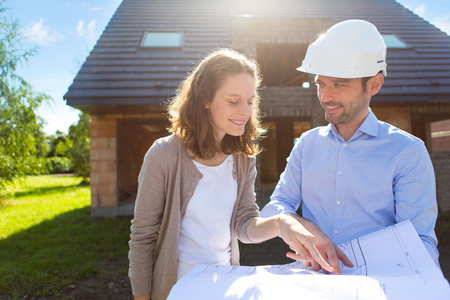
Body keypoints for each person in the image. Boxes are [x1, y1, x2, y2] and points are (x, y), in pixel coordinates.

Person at [128, 49, 346, 300]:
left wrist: (281, 224)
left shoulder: (243, 158)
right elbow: (142, 238)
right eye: (234, 101)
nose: (245, 111)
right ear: (204, 99)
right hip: (176, 291)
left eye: (250, 101)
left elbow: (244, 225)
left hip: (225, 288)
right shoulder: (164, 155)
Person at [261, 19, 440, 270]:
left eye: (339, 84)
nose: (325, 97)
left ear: (374, 85)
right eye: (320, 84)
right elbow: (277, 205)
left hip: (381, 284)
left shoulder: (407, 152)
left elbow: (419, 242)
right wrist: (298, 224)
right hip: (314, 281)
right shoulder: (306, 145)